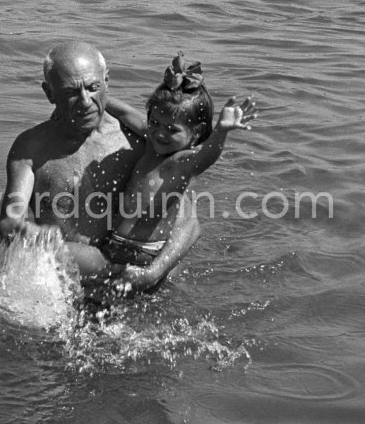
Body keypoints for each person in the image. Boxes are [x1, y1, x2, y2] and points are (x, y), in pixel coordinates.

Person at [0, 41, 200, 291]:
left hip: (142, 282)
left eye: (93, 88)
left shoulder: (141, 142)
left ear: (106, 81)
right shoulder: (31, 148)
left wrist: (152, 273)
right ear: (50, 93)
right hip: (70, 287)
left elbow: (189, 224)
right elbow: (8, 224)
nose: (85, 101)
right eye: (71, 92)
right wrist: (33, 235)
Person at [66, 52, 256, 294]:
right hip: (118, 244)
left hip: (140, 252)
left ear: (195, 134)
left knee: (54, 250)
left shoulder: (181, 161)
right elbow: (124, 114)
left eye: (171, 129)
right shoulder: (152, 141)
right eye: (154, 122)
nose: (160, 133)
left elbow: (206, 157)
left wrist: (221, 131)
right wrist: (96, 98)